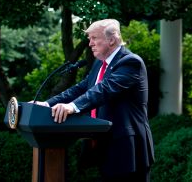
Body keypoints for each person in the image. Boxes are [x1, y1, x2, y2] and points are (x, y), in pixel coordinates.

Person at [36, 19, 154, 181]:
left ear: (111, 40)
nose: (90, 43)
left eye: (94, 38)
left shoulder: (130, 62)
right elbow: (82, 88)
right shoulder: (99, 64)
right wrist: (47, 104)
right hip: (105, 145)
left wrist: (72, 107)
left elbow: (103, 90)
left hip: (128, 149)